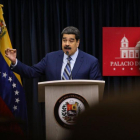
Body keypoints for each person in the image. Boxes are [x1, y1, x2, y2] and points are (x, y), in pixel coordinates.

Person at [5, 26, 102, 80]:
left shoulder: (91, 61)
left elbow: (97, 87)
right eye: (64, 40)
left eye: (71, 41)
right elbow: (31, 72)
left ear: (78, 43)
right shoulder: (50, 58)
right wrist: (14, 62)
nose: (67, 44)